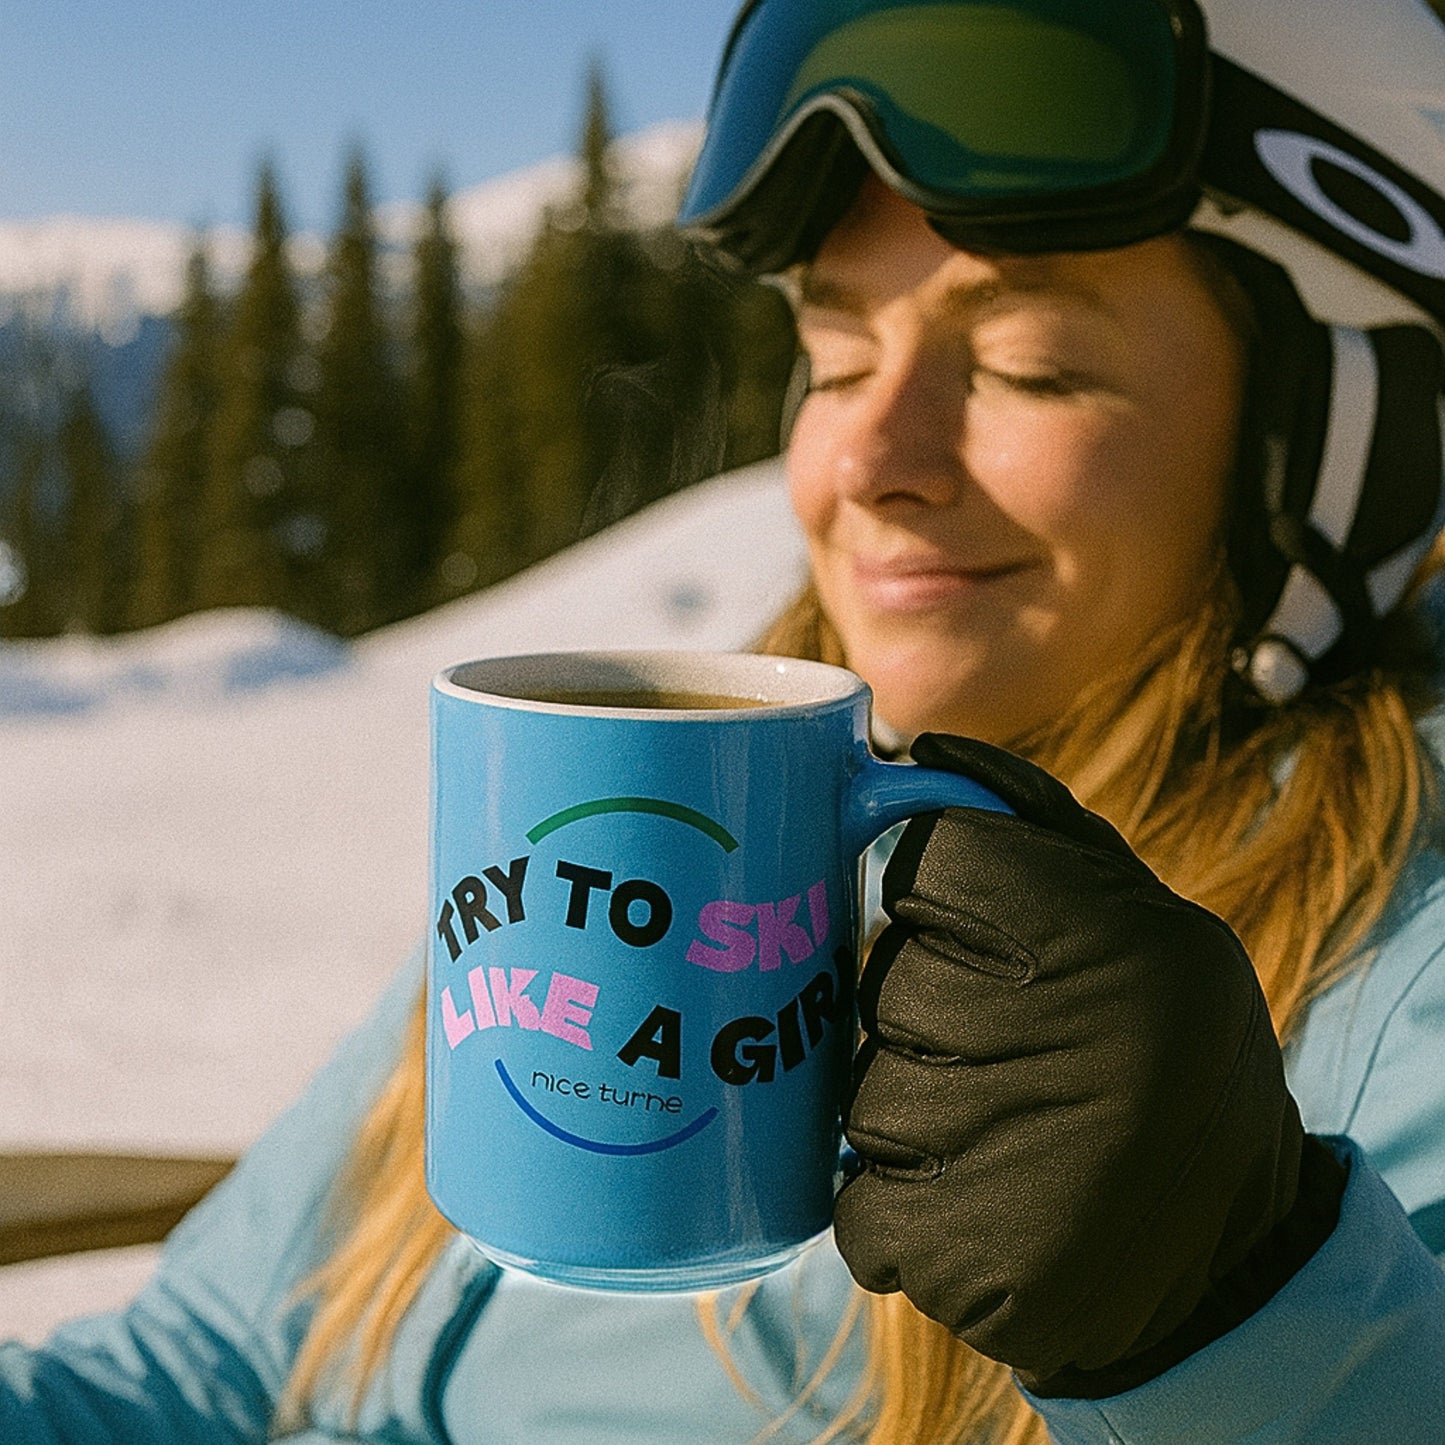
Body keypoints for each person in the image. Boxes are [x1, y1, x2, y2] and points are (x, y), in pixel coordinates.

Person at [5, 0, 1445, 1439]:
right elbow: (206, 1361)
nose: (866, 457)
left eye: (1027, 366)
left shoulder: (1397, 962)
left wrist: (1227, 1303)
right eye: (832, 357)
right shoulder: (675, 798)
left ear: (1331, 433)